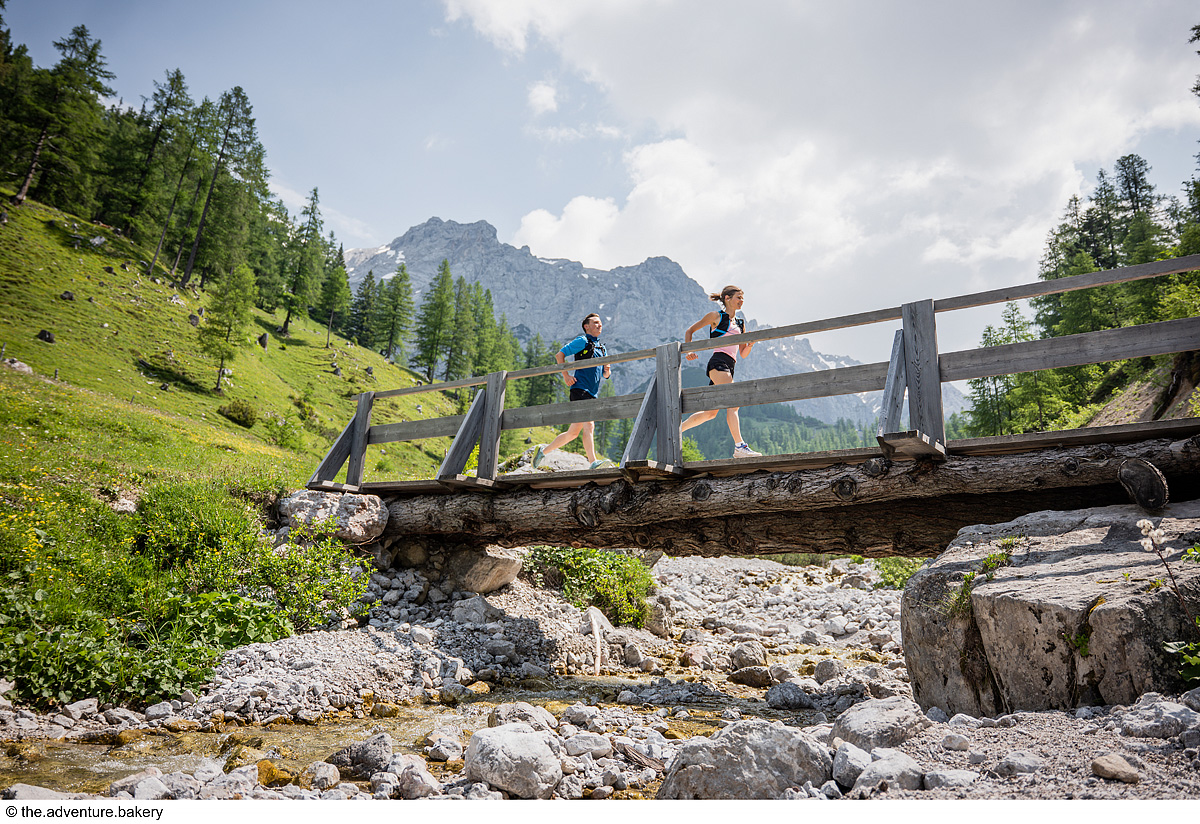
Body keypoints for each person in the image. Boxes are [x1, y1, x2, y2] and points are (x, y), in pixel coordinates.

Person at [680, 285, 763, 458]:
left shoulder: (740, 323)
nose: (741, 301)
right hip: (718, 363)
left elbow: (743, 354)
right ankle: (740, 446)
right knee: (734, 402)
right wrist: (688, 351)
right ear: (727, 298)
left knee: (711, 413)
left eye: (742, 298)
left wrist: (750, 344)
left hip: (730, 367)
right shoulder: (716, 316)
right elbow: (690, 331)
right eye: (738, 297)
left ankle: (676, 430)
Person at [532, 312, 614, 470]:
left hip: (592, 393)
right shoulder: (582, 341)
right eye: (595, 322)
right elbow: (559, 355)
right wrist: (566, 376)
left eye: (600, 323)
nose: (599, 325)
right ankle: (593, 463)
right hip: (580, 389)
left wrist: (607, 370)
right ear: (586, 326)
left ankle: (542, 452)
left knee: (573, 433)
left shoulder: (602, 348)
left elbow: (605, 374)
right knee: (589, 426)